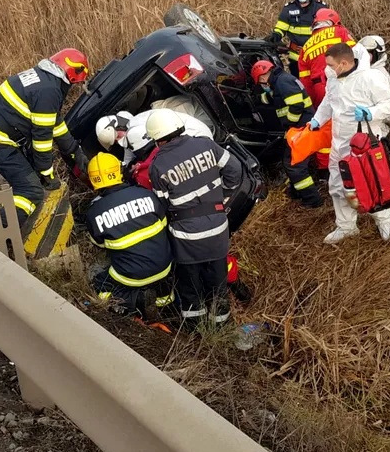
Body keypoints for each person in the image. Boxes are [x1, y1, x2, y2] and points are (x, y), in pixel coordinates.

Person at [0, 49, 89, 226]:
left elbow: (55, 123)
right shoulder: (49, 92)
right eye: (75, 83)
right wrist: (46, 174)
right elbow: (42, 140)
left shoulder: (43, 78)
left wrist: (75, 151)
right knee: (31, 191)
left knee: (31, 172)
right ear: (71, 75)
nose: (72, 87)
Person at [147, 110, 243, 327]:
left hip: (186, 236)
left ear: (157, 138)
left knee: (190, 285)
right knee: (217, 281)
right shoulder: (206, 144)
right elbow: (235, 170)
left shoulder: (157, 166)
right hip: (218, 229)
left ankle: (195, 328)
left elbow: (162, 205)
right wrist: (223, 198)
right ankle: (221, 326)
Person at [309, 42, 390, 243]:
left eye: (331, 65)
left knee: (371, 181)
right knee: (338, 184)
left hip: (363, 142)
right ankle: (346, 226)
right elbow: (328, 102)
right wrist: (317, 120)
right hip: (339, 143)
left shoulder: (369, 78)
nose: (328, 69)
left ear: (343, 63)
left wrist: (371, 112)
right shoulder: (334, 79)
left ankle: (385, 221)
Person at [85, 152, 174, 317]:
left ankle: (137, 300)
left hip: (131, 277)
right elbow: (164, 224)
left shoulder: (94, 213)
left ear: (93, 180)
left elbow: (101, 245)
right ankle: (166, 307)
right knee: (160, 283)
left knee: (99, 286)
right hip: (165, 267)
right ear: (119, 172)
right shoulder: (146, 194)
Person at [250, 60, 323, 208]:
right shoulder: (280, 81)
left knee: (294, 165)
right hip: (301, 127)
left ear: (262, 77)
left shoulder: (282, 82)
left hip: (301, 128)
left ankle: (313, 200)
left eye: (260, 82)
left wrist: (290, 124)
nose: (262, 85)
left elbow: (296, 106)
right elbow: (274, 97)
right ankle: (296, 192)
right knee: (291, 161)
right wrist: (255, 99)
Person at [298, 8, 356, 171]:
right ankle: (354, 160)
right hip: (342, 82)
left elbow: (305, 82)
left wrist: (312, 105)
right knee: (349, 121)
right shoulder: (340, 31)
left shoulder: (306, 47)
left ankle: (325, 168)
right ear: (334, 21)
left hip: (318, 88)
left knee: (324, 127)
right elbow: (356, 55)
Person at [268, 0, 328, 77]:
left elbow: (328, 31)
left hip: (316, 57)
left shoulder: (321, 8)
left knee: (318, 83)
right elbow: (280, 28)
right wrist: (275, 35)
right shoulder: (288, 9)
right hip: (296, 58)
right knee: (298, 84)